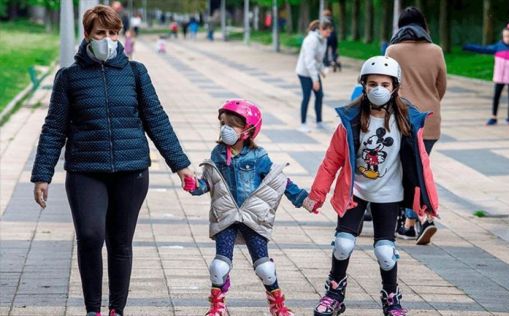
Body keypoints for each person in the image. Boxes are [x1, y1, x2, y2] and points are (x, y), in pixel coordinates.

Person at [30, 5, 193, 316]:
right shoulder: (69, 77)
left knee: (120, 243)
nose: (108, 39)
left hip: (131, 172)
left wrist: (180, 164)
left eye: (113, 33)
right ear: (88, 36)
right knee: (90, 235)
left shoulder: (136, 72)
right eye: (101, 33)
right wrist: (42, 174)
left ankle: (116, 309)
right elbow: (54, 128)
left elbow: (156, 120)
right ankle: (94, 309)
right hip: (85, 170)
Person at [303, 56, 439, 316]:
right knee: (343, 244)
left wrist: (428, 202)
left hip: (389, 195)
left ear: (395, 87)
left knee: (385, 251)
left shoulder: (407, 120)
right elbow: (332, 160)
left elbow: (422, 164)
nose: (379, 89)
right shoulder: (351, 120)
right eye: (373, 83)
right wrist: (316, 195)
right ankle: (334, 293)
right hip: (355, 192)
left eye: (385, 84)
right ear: (363, 85)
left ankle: (391, 299)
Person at [184, 99, 311, 316]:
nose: (225, 129)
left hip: (252, 217)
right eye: (223, 123)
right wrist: (194, 185)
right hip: (226, 216)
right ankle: (217, 306)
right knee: (219, 266)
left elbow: (278, 180)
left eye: (232, 125)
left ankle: (277, 305)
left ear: (248, 129)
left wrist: (303, 199)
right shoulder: (218, 154)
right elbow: (209, 183)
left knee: (265, 268)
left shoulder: (258, 156)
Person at [386, 6, 446, 244]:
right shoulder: (436, 51)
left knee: (404, 171)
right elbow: (441, 86)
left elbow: (385, 82)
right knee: (420, 168)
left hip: (401, 118)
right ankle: (415, 220)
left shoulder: (392, 50)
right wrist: (429, 103)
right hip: (430, 120)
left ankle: (411, 222)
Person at [463, 22, 509, 126]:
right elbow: (483, 49)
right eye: (505, 36)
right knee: (496, 96)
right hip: (499, 77)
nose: (507, 38)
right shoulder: (498, 46)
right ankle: (493, 117)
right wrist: (469, 47)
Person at [295, 19, 333, 132]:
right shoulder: (311, 40)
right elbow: (309, 62)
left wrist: (322, 70)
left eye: (330, 32)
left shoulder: (323, 40)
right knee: (306, 96)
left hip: (313, 72)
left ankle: (319, 122)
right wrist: (315, 80)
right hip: (304, 72)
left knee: (320, 95)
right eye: (327, 32)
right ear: (321, 29)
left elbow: (318, 59)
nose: (329, 34)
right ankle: (303, 124)